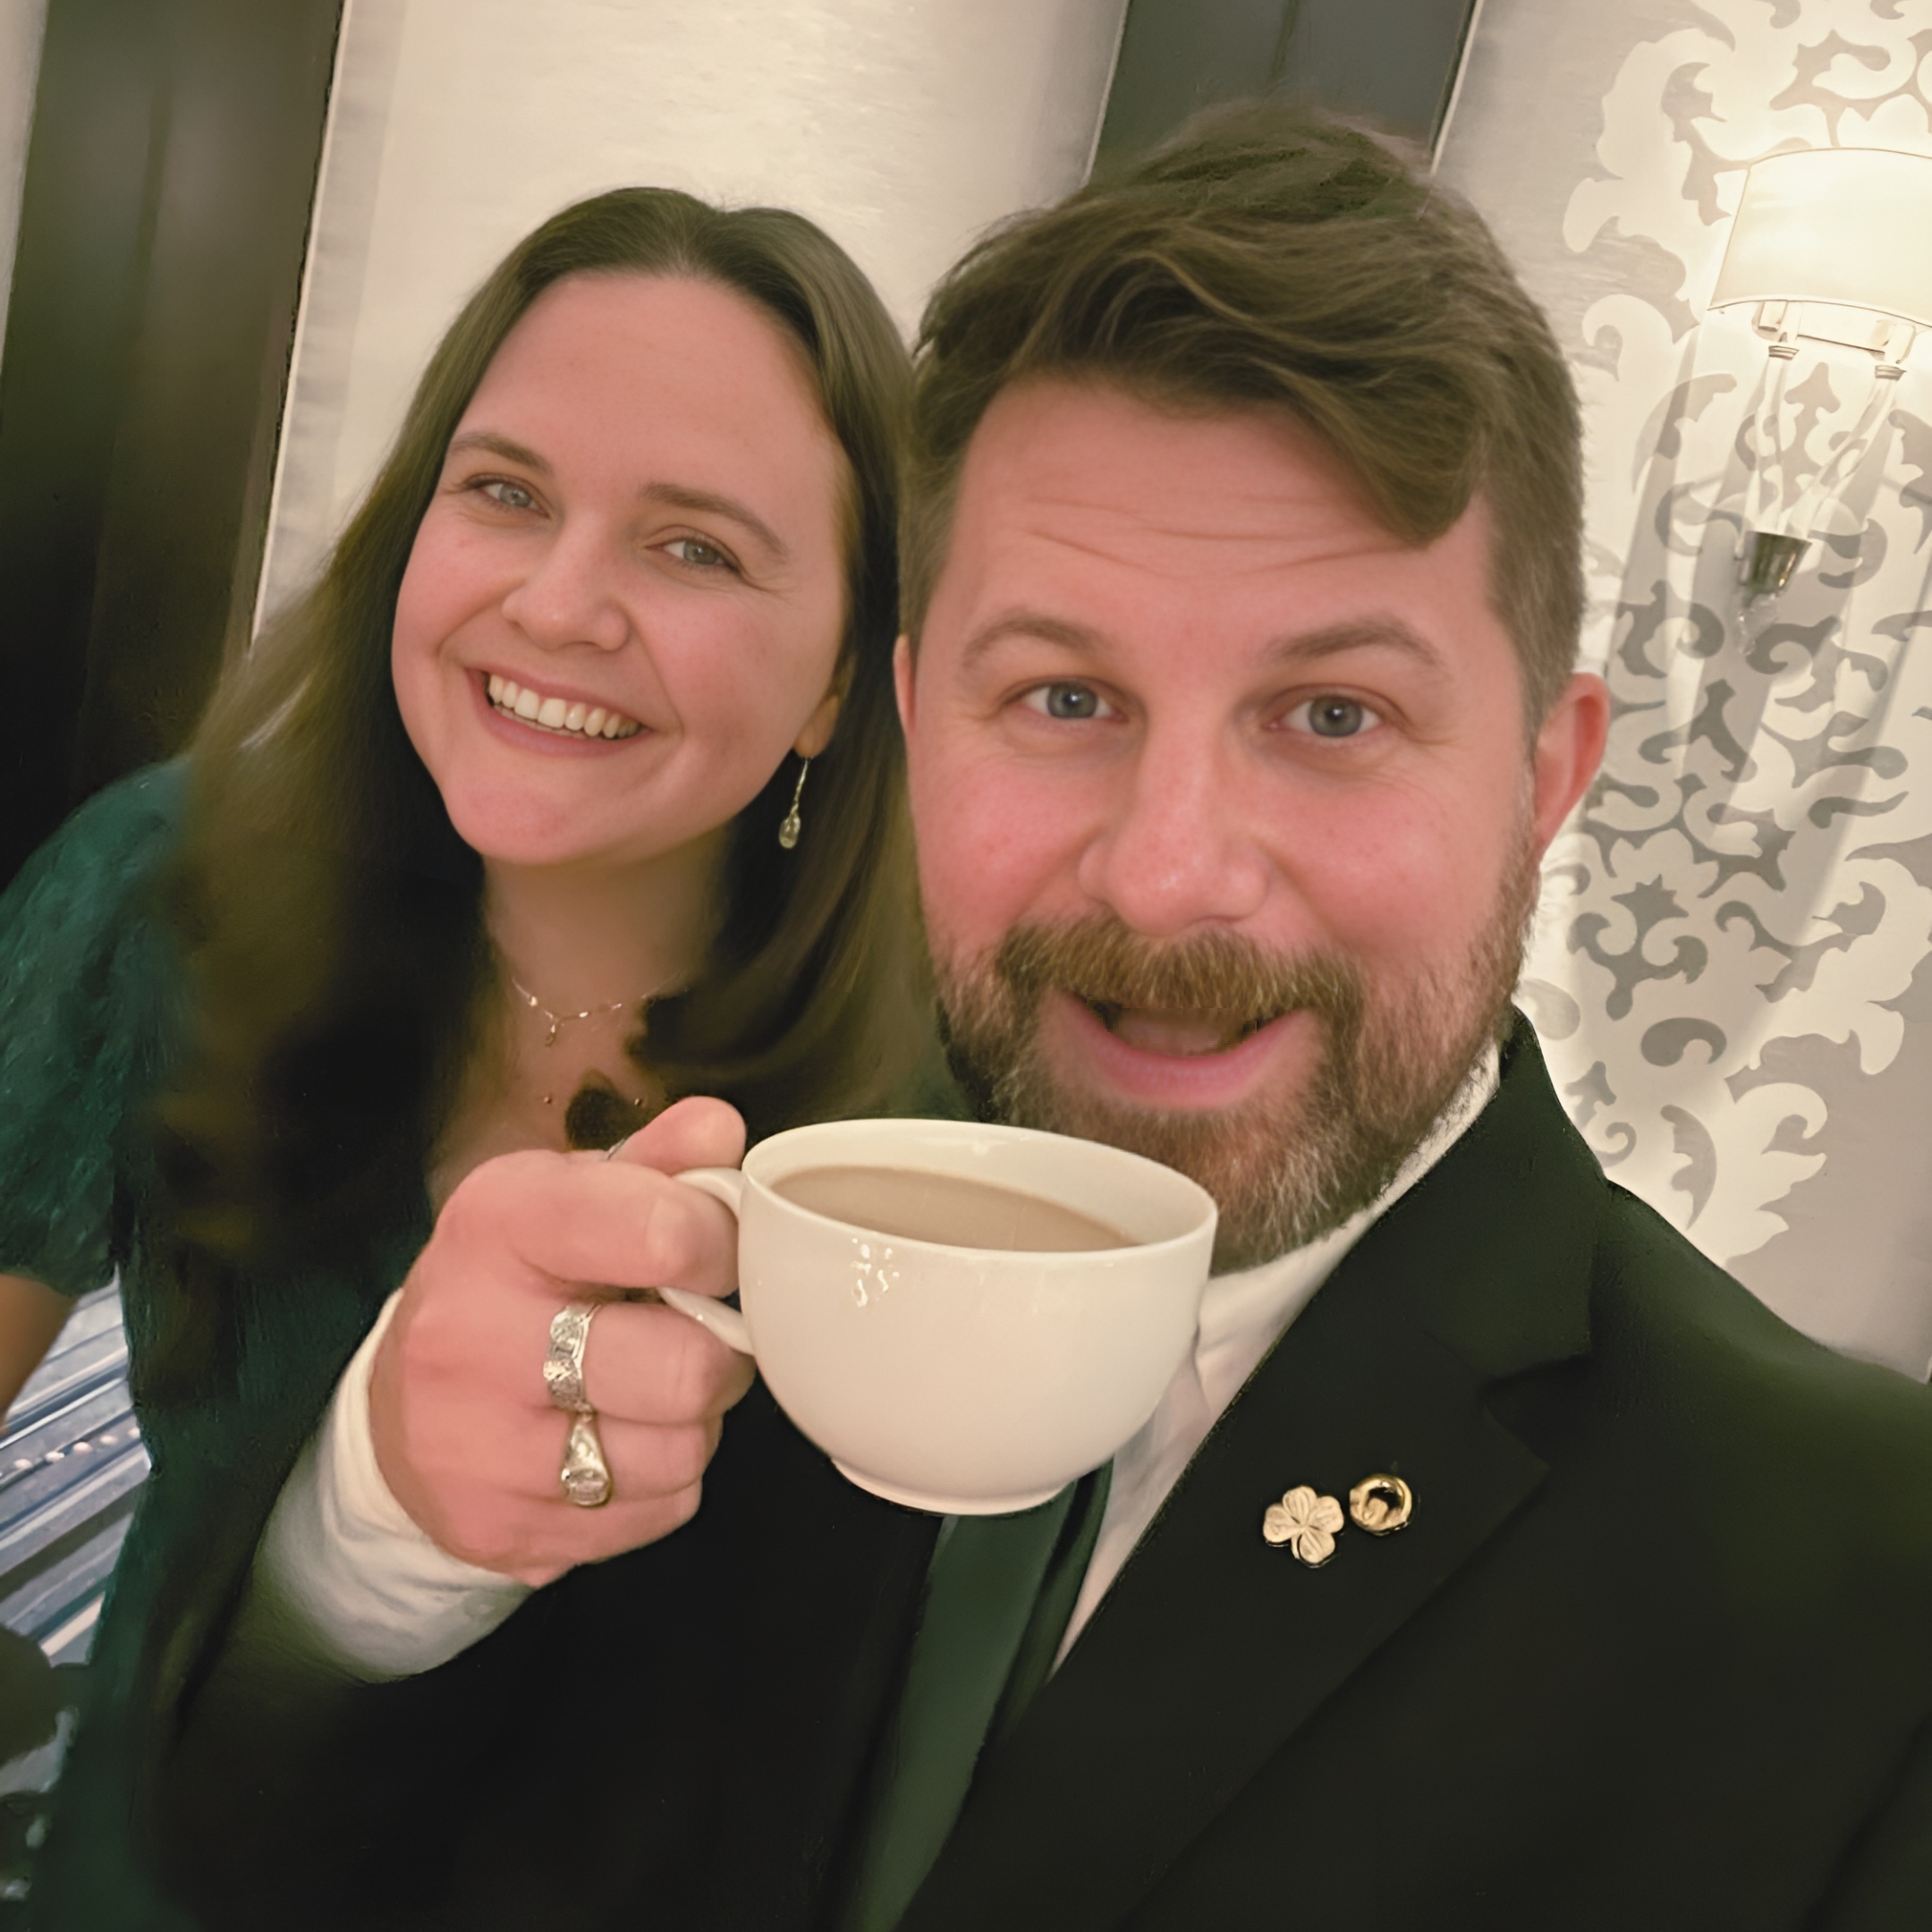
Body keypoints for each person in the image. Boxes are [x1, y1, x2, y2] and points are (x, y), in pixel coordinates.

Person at [60, 108, 1932, 1930]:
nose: (1168, 877)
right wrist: (370, 1536)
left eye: (1334, 717)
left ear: (1543, 776)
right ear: (905, 715)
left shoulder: (1868, 1604)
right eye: (1058, 699)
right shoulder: (730, 1268)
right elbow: (274, 1858)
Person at [11, 187, 930, 1926]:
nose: (559, 602)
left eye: (695, 547)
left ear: (835, 685)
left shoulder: (934, 1118)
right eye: (504, 493)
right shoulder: (163, 892)